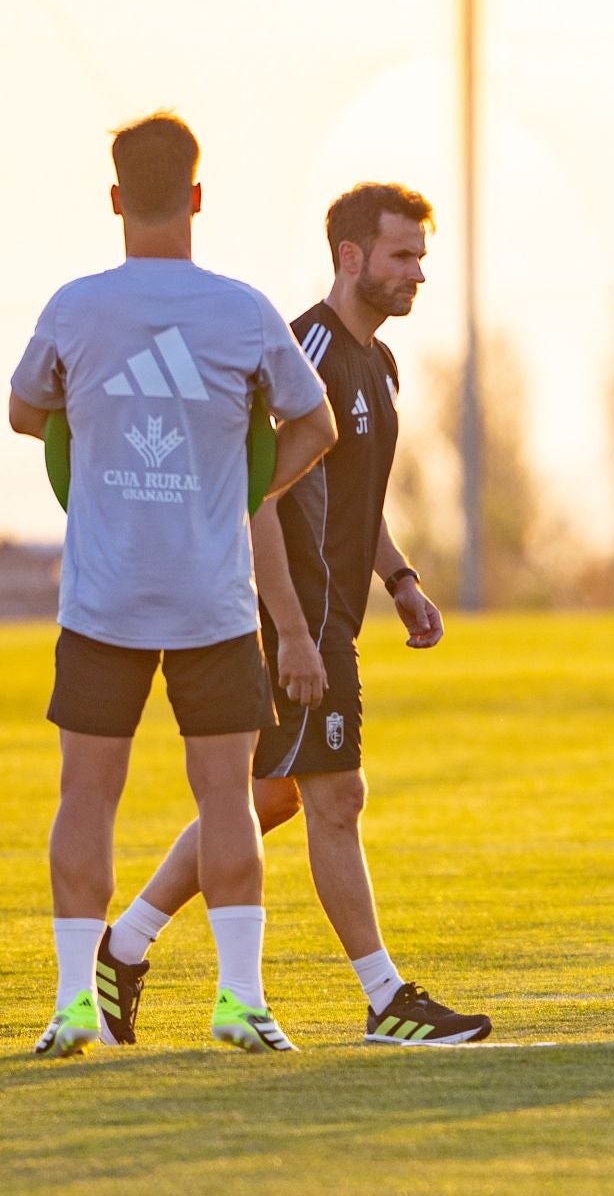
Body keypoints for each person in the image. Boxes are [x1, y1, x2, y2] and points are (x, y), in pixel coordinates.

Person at [93, 183, 491, 1047]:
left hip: (328, 615)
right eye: (402, 255)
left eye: (421, 257)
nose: (418, 273)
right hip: (294, 615)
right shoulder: (307, 352)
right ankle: (385, 1000)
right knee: (337, 798)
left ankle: (122, 945)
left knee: (270, 797)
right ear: (351, 256)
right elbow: (258, 495)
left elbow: (355, 498)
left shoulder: (380, 365)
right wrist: (297, 634)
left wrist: (400, 578)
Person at [9, 112, 337, 1056]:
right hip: (212, 598)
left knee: (86, 796)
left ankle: (75, 1004)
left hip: (102, 598)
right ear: (196, 196)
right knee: (226, 798)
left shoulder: (76, 307)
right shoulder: (242, 311)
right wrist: (242, 492)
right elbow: (316, 428)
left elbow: (26, 412)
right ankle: (241, 1001)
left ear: (116, 198)